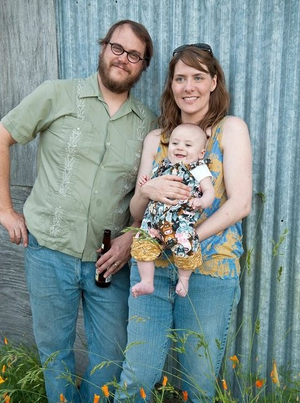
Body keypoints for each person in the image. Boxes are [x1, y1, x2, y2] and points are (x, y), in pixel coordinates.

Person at [0, 20, 157, 403]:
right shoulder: (57, 94)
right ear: (103, 47)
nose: (123, 59)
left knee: (109, 360)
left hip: (110, 262)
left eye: (134, 55)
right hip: (49, 253)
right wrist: (5, 209)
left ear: (143, 67)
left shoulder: (149, 124)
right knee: (56, 356)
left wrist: (131, 236)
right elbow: (3, 137)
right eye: (117, 48)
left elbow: (148, 195)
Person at [114, 43, 252, 402]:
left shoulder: (229, 130)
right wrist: (149, 191)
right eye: (180, 78)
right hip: (152, 270)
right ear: (171, 86)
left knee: (197, 383)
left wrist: (185, 238)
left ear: (213, 82)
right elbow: (135, 212)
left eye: (198, 77)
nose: (188, 86)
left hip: (209, 269)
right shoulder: (156, 140)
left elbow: (239, 204)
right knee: (137, 377)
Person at [131, 123, 215, 298]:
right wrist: (146, 183)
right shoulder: (162, 166)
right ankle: (147, 281)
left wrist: (201, 201)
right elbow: (151, 187)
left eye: (188, 145)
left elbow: (209, 191)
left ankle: (184, 279)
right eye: (175, 143)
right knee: (142, 247)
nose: (180, 148)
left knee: (186, 248)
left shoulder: (199, 169)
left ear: (201, 153)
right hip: (153, 222)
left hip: (180, 224)